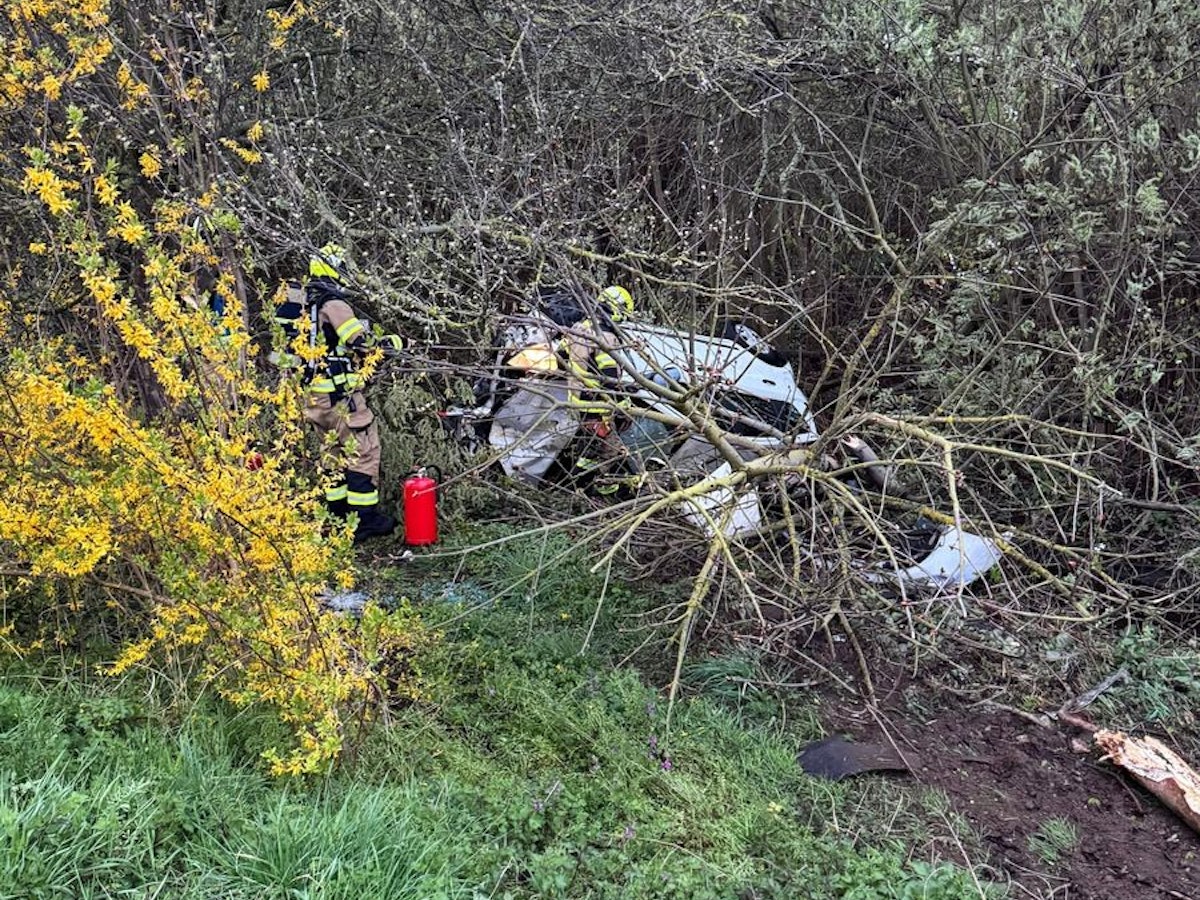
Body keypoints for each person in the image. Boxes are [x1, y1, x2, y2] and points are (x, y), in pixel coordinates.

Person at [274, 243, 401, 542]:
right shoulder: (333, 304)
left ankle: (336, 517)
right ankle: (364, 522)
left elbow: (283, 352)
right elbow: (362, 343)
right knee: (363, 453)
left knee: (331, 454)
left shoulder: (296, 302)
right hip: (340, 398)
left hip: (311, 398)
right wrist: (394, 343)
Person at [563, 285, 634, 489]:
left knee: (591, 450)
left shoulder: (580, 327)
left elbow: (564, 355)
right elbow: (610, 379)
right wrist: (623, 408)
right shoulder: (606, 338)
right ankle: (579, 489)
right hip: (597, 405)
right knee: (607, 451)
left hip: (578, 400)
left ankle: (590, 488)